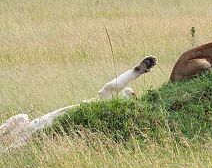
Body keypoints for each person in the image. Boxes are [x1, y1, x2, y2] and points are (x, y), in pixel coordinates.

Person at [0, 56, 158, 153]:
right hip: (34, 127)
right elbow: (110, 87)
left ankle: (8, 151)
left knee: (18, 147)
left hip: (39, 134)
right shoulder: (100, 104)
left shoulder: (104, 116)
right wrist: (136, 72)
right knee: (21, 119)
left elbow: (110, 88)